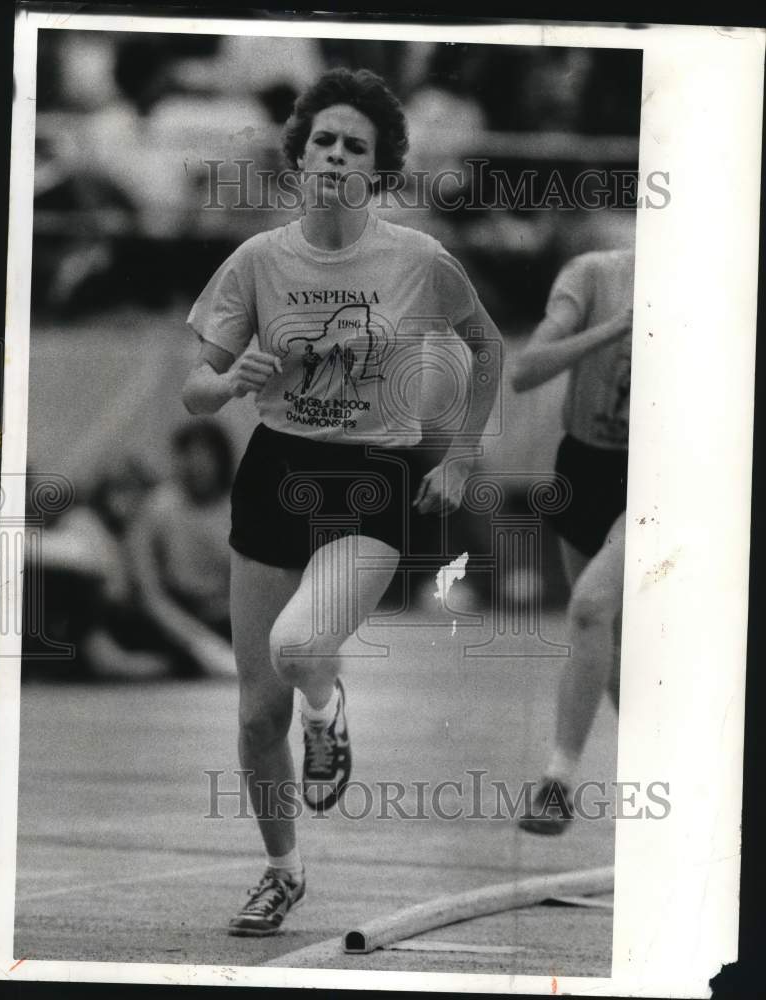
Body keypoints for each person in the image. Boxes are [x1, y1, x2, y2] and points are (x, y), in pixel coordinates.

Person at [182, 68, 504, 935]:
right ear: (299, 155)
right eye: (322, 140)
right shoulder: (257, 260)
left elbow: (487, 347)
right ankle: (281, 872)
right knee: (255, 715)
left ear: (379, 168)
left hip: (372, 478)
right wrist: (224, 384)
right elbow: (194, 389)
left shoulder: (417, 260)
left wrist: (462, 457)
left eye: (353, 146)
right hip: (276, 470)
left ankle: (330, 714)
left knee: (298, 647)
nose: (334, 155)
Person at [510, 247, 634, 834]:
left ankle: (557, 783)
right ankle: (681, 787)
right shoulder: (594, 274)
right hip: (583, 467)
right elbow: (525, 369)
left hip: (655, 475)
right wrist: (615, 328)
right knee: (611, 658)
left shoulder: (716, 286)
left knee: (589, 608)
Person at [126, 417, 235, 678]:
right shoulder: (157, 508)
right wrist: (200, 643)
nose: (198, 466)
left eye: (206, 457)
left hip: (228, 615)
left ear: (221, 461)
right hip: (172, 615)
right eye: (189, 456)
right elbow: (150, 594)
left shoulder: (241, 505)